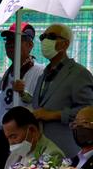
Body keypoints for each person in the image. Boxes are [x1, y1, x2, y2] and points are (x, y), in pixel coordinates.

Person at [0, 23, 44, 169]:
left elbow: (39, 106)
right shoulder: (10, 72)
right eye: (8, 41)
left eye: (16, 41)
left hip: (23, 134)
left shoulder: (39, 72)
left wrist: (23, 93)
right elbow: (2, 107)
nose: (10, 45)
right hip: (4, 132)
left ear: (30, 45)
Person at [31, 24, 93, 155]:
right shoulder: (43, 75)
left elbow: (88, 110)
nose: (45, 41)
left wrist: (53, 115)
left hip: (65, 149)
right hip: (41, 151)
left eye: (52, 37)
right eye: (43, 37)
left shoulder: (79, 74)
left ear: (65, 44)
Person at [1, 105, 65, 169]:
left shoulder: (53, 154)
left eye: (14, 136)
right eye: (8, 138)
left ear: (32, 130)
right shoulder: (16, 153)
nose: (11, 142)